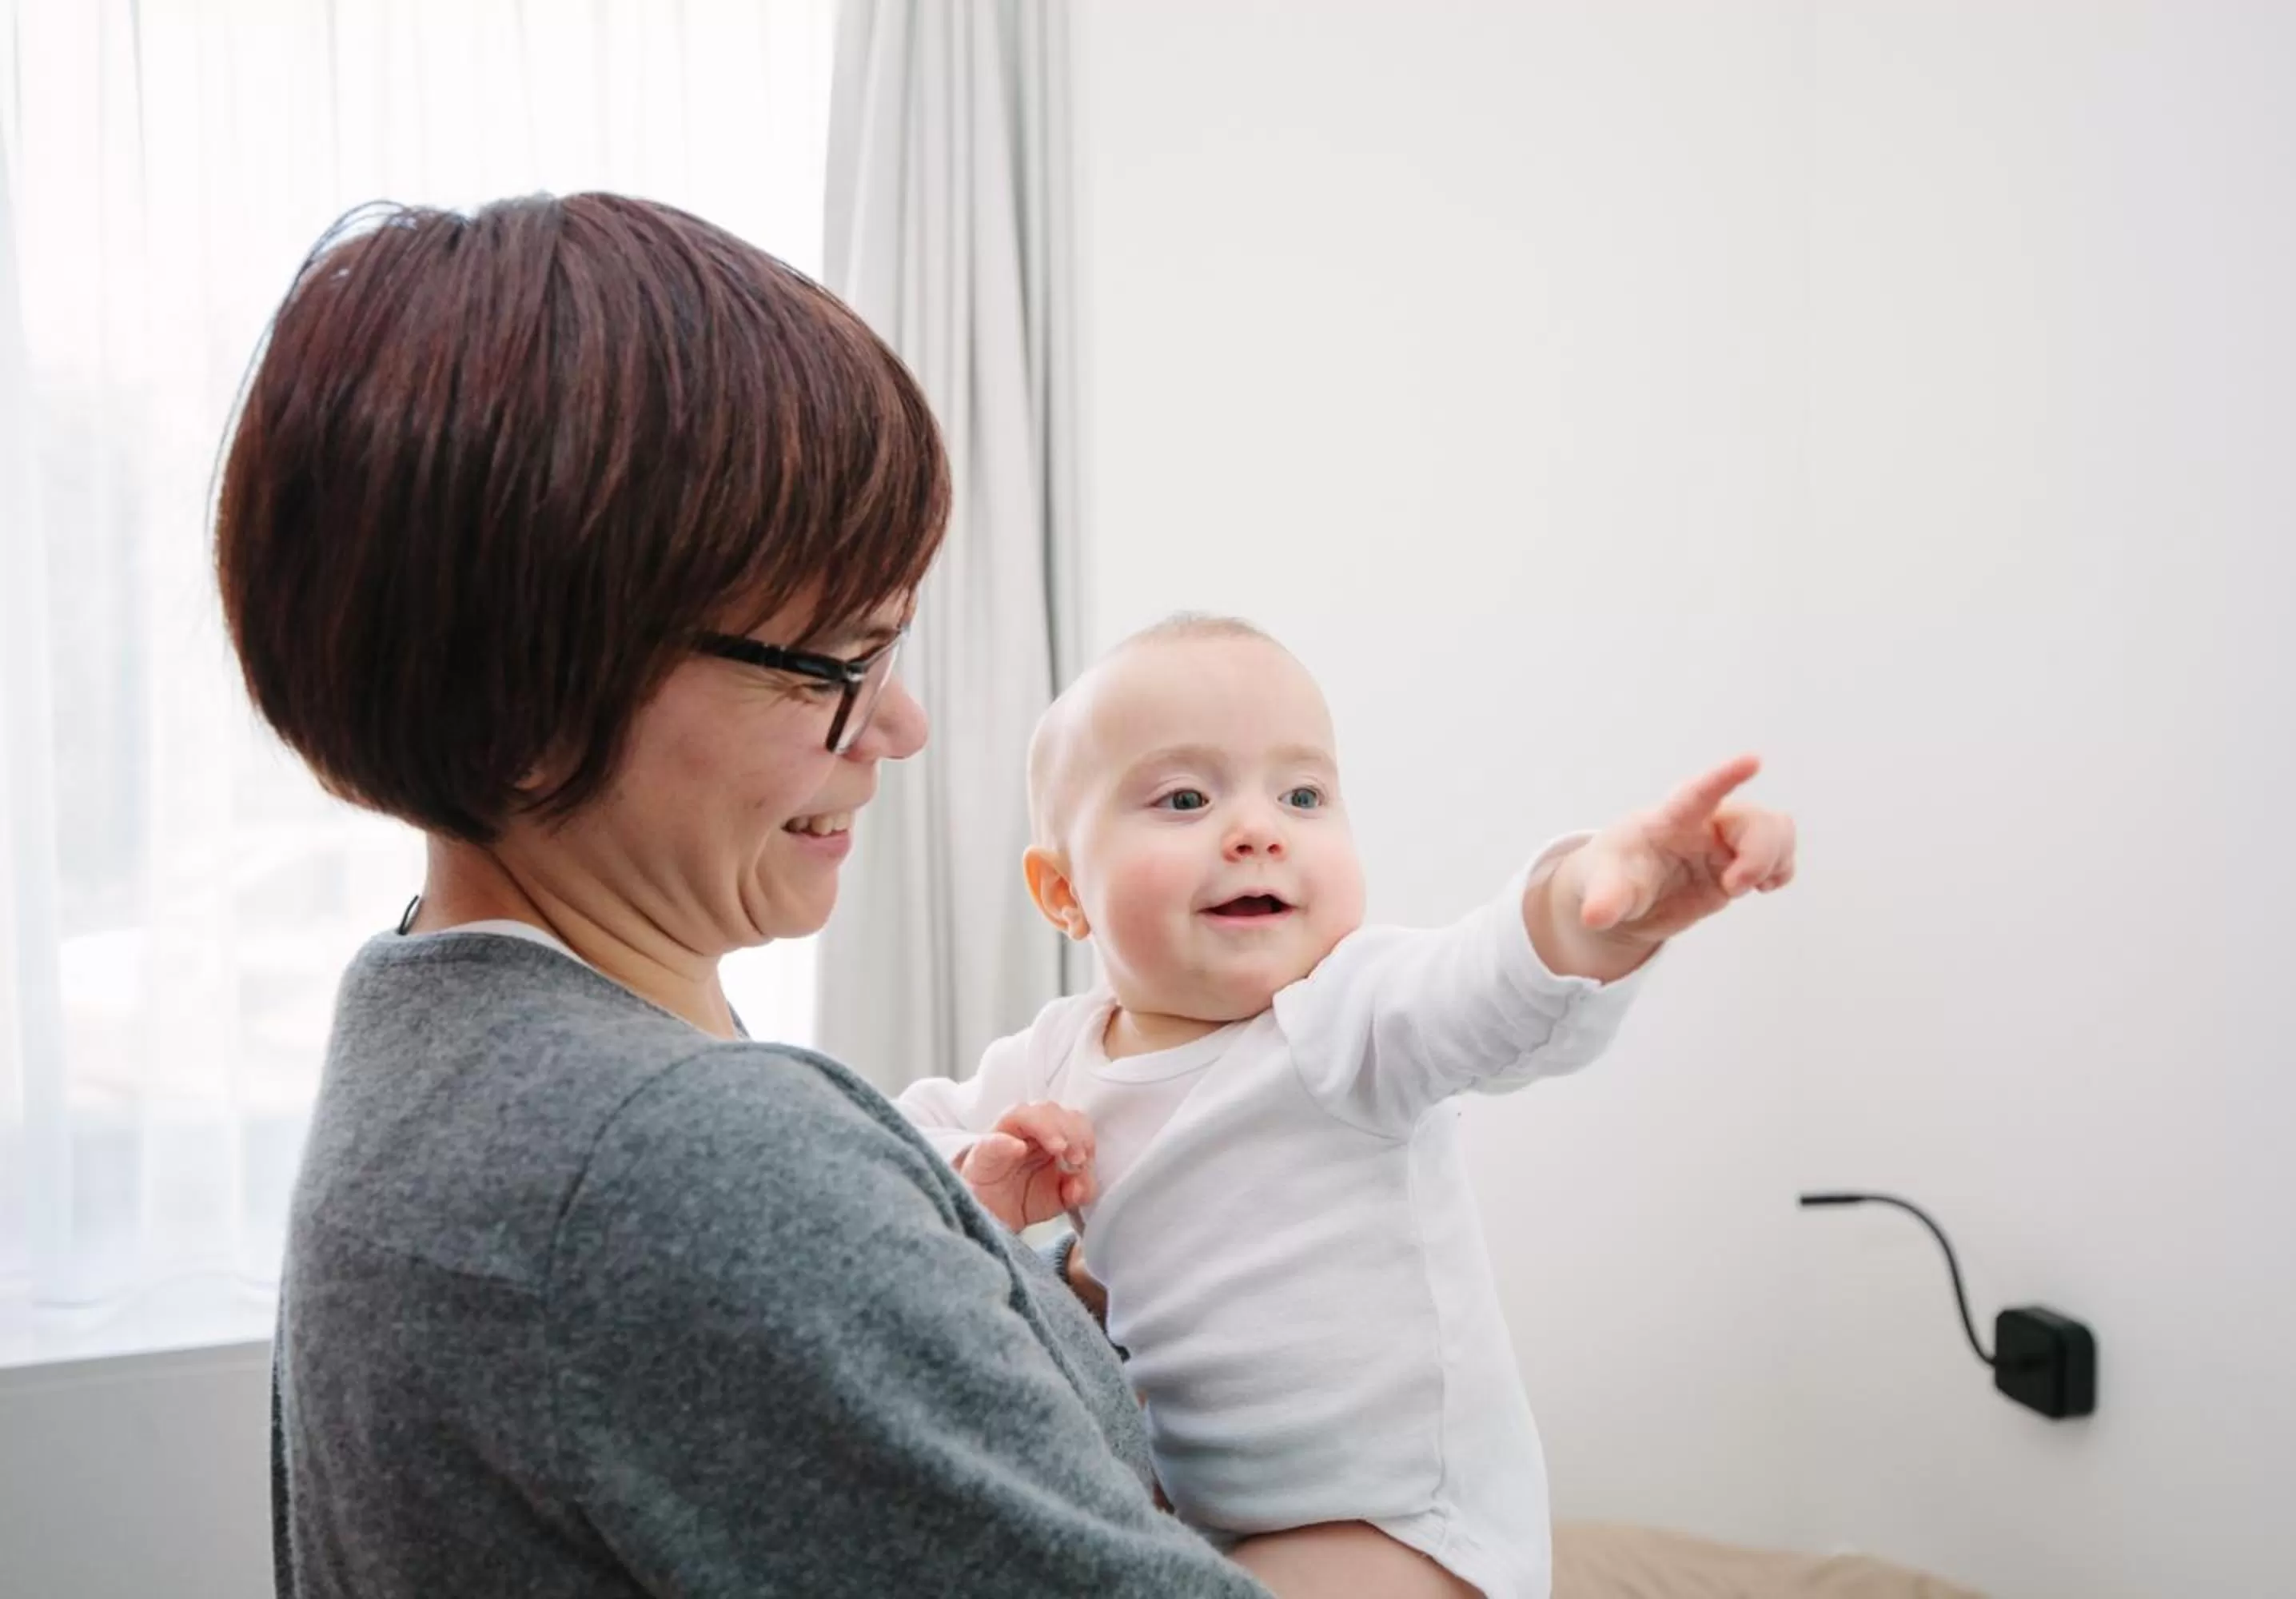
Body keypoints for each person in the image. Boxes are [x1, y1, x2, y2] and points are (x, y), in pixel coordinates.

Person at [217, 193, 1275, 1597]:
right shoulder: (673, 1158)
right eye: (835, 660)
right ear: (532, 696)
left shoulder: (428, 1023)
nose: (897, 726)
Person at [897, 615, 1799, 1599]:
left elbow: (1484, 980)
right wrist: (973, 1169)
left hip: (1398, 1523)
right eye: (1186, 796)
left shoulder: (1341, 1014)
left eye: (1302, 793)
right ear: (1064, 891)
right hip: (1212, 1517)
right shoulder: (1055, 1055)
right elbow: (877, 1142)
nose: (1257, 828)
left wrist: (1603, 898)